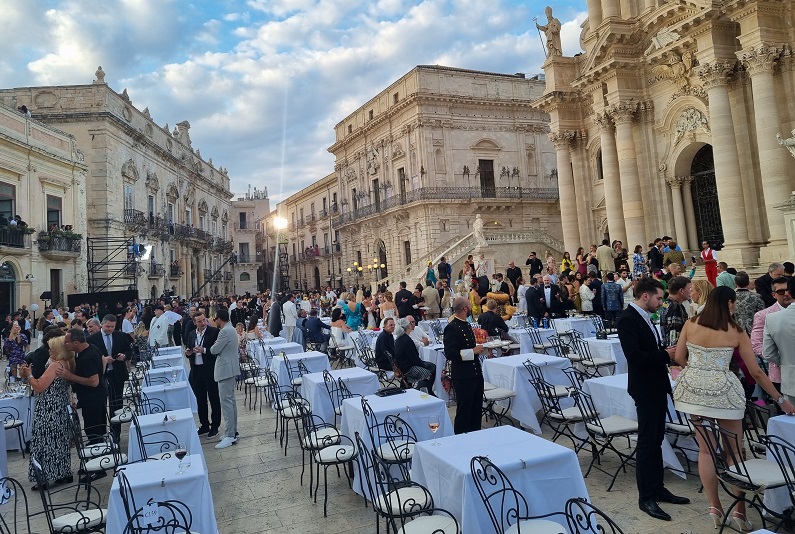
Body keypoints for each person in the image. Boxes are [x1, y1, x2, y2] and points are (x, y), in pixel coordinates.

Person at [675, 286, 794, 531]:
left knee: (706, 451)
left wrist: (696, 372)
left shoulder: (691, 323)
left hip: (694, 391)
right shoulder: (735, 330)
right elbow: (756, 372)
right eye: (734, 303)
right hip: (724, 393)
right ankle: (739, 511)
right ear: (729, 303)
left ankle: (715, 507)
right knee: (734, 453)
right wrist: (780, 399)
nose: (735, 307)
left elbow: (678, 356)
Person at [617, 278, 689, 522]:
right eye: (658, 298)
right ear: (645, 296)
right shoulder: (627, 319)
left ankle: (657, 488)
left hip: (657, 385)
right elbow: (634, 356)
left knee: (658, 438)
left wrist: (663, 354)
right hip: (644, 387)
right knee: (648, 441)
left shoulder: (646, 316)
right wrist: (664, 355)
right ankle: (645, 496)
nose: (661, 302)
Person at [21, 334, 74, 490]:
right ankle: (63, 472)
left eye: (52, 349)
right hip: (59, 406)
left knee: (45, 442)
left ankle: (44, 477)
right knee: (59, 440)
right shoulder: (67, 362)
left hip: (48, 409)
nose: (49, 351)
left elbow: (39, 386)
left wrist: (28, 374)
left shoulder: (55, 365)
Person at [444, 297, 485, 434]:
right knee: (464, 410)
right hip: (463, 375)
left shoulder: (466, 324)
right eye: (470, 305)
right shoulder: (452, 327)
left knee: (476, 409)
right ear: (465, 309)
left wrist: (478, 351)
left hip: (475, 373)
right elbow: (450, 354)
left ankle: (475, 436)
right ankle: (461, 438)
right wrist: (472, 352)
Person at [87, 315, 131, 442]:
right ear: (102, 324)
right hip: (101, 375)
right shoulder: (92, 339)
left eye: (112, 327)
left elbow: (129, 351)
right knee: (101, 404)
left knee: (116, 403)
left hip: (117, 373)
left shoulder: (121, 336)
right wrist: (103, 361)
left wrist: (124, 356)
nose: (110, 329)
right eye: (107, 326)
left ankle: (115, 433)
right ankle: (101, 432)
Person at [183, 312, 221, 437]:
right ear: (194, 323)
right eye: (199, 321)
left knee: (214, 398)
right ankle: (204, 424)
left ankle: (215, 426)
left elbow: (217, 351)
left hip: (209, 369)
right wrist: (188, 353)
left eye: (204, 320)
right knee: (200, 400)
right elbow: (189, 348)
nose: (203, 323)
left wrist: (203, 350)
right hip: (196, 370)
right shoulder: (191, 334)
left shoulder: (213, 332)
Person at [209, 308, 239, 449]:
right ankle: (233, 431)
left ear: (219, 319)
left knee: (226, 403)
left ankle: (229, 434)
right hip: (231, 368)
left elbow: (214, 350)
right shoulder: (231, 329)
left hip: (225, 369)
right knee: (231, 401)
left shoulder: (224, 331)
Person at [394, 318, 436, 395]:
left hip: (404, 366)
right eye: (410, 323)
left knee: (432, 366)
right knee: (428, 372)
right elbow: (414, 358)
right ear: (408, 327)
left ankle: (427, 390)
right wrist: (423, 366)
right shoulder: (406, 340)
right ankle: (424, 391)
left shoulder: (400, 339)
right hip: (408, 368)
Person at [659, 276, 692, 346]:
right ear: (681, 291)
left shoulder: (667, 303)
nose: (691, 291)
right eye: (689, 288)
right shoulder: (675, 308)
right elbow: (674, 336)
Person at [733, 271, 765, 336]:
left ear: (735, 283)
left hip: (736, 329)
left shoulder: (730, 297)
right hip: (754, 329)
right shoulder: (756, 296)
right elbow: (762, 313)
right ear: (748, 283)